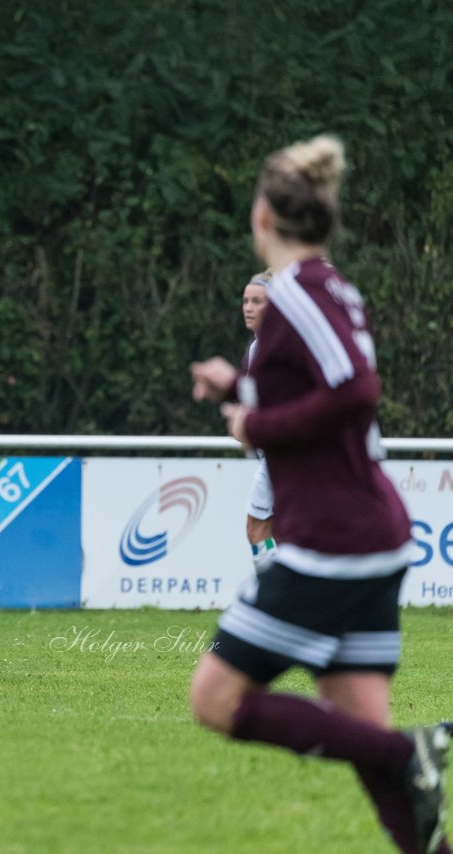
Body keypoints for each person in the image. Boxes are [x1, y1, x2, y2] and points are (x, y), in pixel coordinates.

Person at [189, 135, 450, 853]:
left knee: (214, 700)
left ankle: (410, 752)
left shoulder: (298, 293)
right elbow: (324, 387)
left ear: (264, 217)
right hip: (366, 534)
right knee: (361, 730)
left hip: (335, 540)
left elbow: (357, 392)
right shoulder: (327, 287)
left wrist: (257, 420)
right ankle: (410, 774)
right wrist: (239, 386)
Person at [239, 269, 277, 571]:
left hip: (285, 455)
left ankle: (279, 601)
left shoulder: (278, 348)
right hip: (272, 454)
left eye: (257, 301)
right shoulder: (256, 348)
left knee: (257, 527)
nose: (249, 308)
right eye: (246, 301)